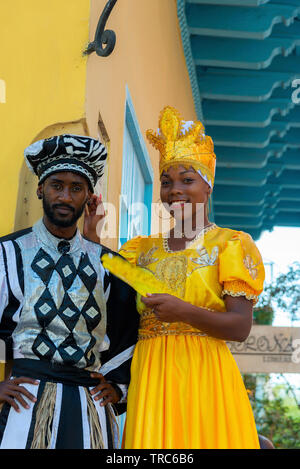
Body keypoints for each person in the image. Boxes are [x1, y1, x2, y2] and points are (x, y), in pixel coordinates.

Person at [93, 106, 265, 449]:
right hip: (151, 373)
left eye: (188, 180)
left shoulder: (231, 244)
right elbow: (101, 292)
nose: (175, 191)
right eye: (167, 182)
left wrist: (183, 311)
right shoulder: (141, 250)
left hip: (205, 373)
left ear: (208, 187)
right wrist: (93, 240)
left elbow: (239, 328)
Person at [0, 134, 139, 449]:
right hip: (24, 405)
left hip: (90, 408)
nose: (64, 196)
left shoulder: (112, 267)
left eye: (76, 188)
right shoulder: (7, 253)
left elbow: (132, 333)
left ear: (89, 196)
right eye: (56, 185)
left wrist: (118, 387)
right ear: (40, 189)